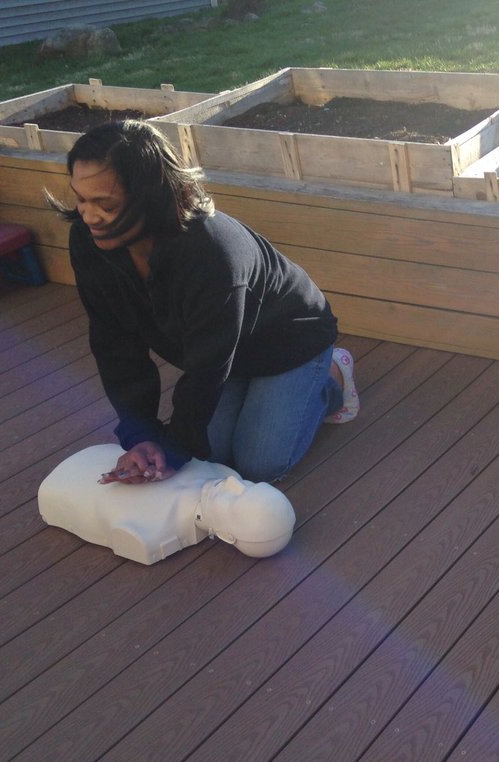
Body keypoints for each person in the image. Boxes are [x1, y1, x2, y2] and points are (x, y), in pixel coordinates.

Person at [49, 120, 359, 487]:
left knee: (258, 464)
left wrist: (175, 449)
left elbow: (208, 366)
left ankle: (332, 378)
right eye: (81, 198)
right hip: (226, 349)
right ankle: (256, 392)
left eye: (105, 203)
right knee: (212, 456)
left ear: (151, 194)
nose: (87, 215)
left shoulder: (211, 252)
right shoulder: (89, 241)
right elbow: (114, 344)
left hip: (288, 341)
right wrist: (141, 434)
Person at [38, 444, 297, 564]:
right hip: (101, 458)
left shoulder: (158, 530)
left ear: (228, 536)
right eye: (249, 487)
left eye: (235, 497)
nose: (234, 483)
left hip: (68, 488)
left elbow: (128, 535)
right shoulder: (224, 475)